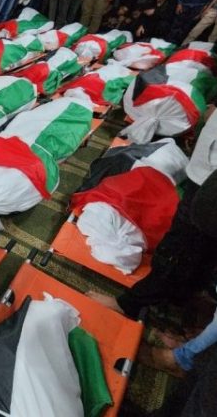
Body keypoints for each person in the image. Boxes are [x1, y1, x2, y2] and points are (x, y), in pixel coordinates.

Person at [89, 112, 217, 319]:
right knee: (198, 246)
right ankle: (179, 296)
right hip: (205, 172)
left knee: (182, 243)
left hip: (209, 180)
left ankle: (132, 304)